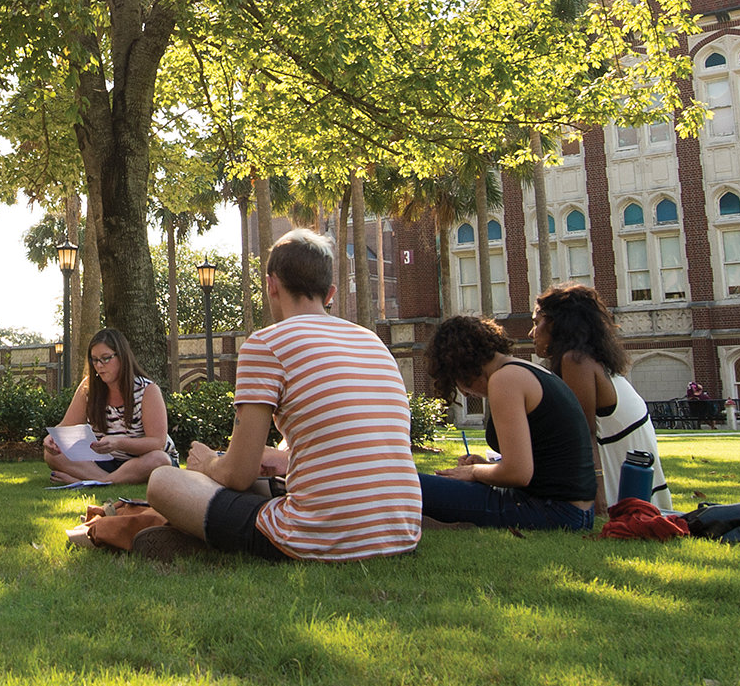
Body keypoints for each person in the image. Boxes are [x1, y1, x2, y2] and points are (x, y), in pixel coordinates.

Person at [140, 228, 422, 562]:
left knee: (163, 480)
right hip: (401, 532)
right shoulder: (373, 343)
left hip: (318, 538)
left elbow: (237, 475)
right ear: (329, 292)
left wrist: (208, 464)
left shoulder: (267, 344)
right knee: (262, 486)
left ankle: (195, 535)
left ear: (271, 285)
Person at [416, 316, 602, 530]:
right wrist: (486, 469)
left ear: (460, 366)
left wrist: (474, 471)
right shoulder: (527, 370)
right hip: (573, 510)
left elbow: (518, 473)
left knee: (402, 484)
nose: (465, 393)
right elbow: (540, 466)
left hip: (552, 511)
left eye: (457, 382)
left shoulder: (505, 380)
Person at [533, 282, 668, 508]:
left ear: (555, 325)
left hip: (624, 496)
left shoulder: (576, 361)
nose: (532, 333)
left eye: (536, 323)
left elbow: (583, 434)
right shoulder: (593, 360)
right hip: (641, 492)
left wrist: (597, 501)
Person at [43, 328, 174, 485]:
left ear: (122, 357)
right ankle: (104, 481)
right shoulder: (88, 388)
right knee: (53, 455)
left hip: (142, 460)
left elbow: (157, 442)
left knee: (159, 459)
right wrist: (51, 438)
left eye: (106, 358)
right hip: (106, 462)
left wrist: (118, 443)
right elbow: (66, 426)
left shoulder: (148, 390)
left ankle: (94, 481)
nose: (99, 365)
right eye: (94, 360)